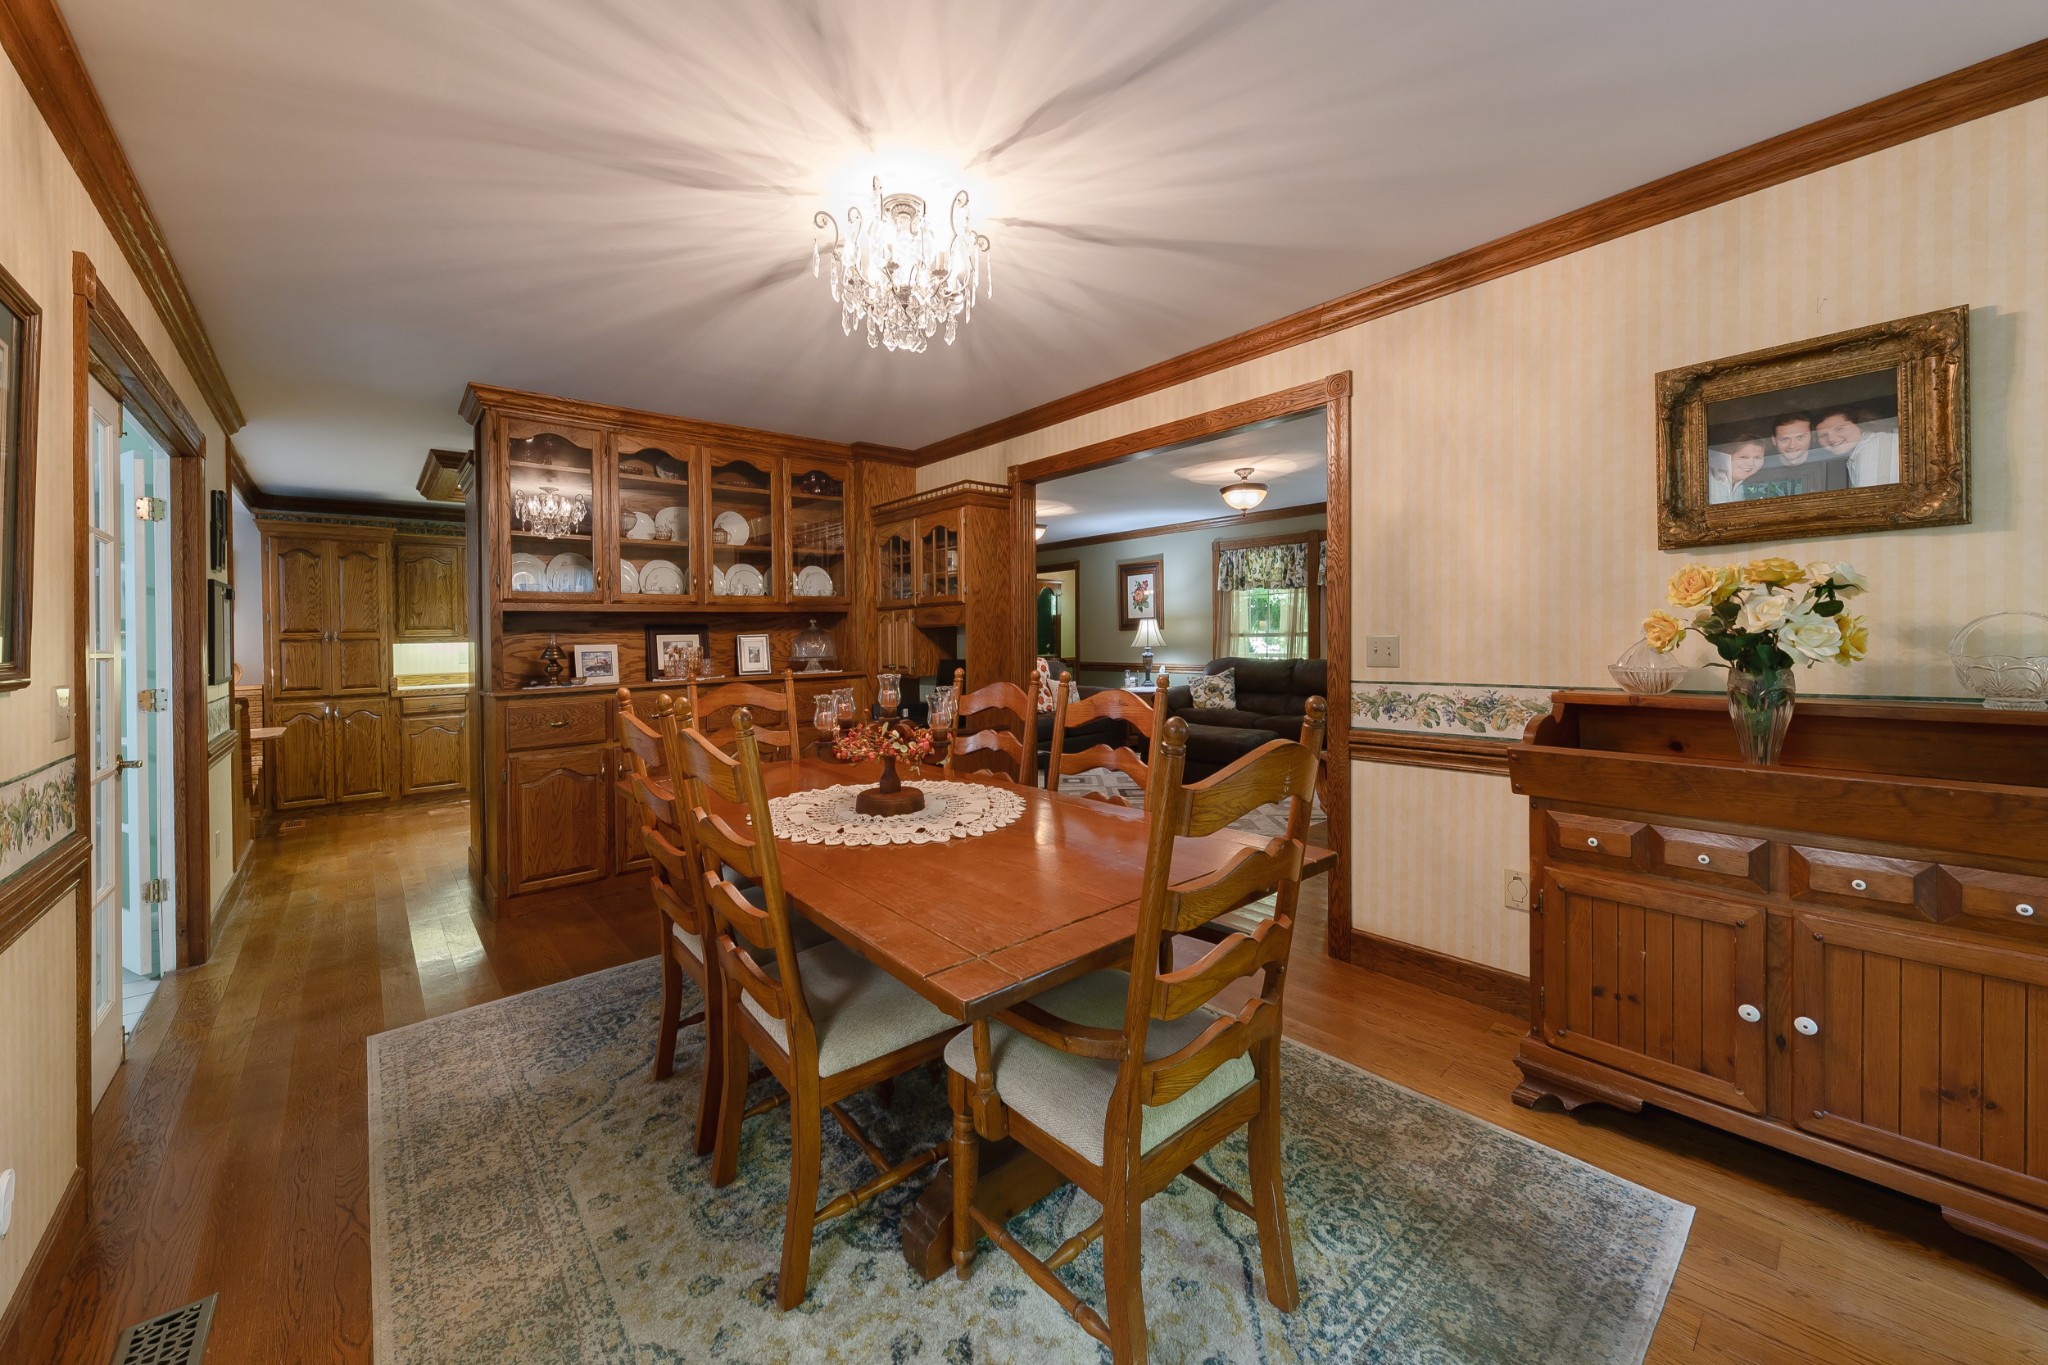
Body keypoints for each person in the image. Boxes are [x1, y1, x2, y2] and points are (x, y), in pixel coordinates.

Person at [1815, 405, 1899, 486]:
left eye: (1839, 429)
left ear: (1860, 425)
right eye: (1823, 435)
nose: (1831, 439)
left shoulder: (1871, 446)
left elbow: (1870, 497)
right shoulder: (1861, 448)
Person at [1708, 433, 1770, 504]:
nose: (1751, 463)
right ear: (1727, 455)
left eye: (1757, 458)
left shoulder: (1741, 486)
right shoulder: (1707, 480)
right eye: (1743, 457)